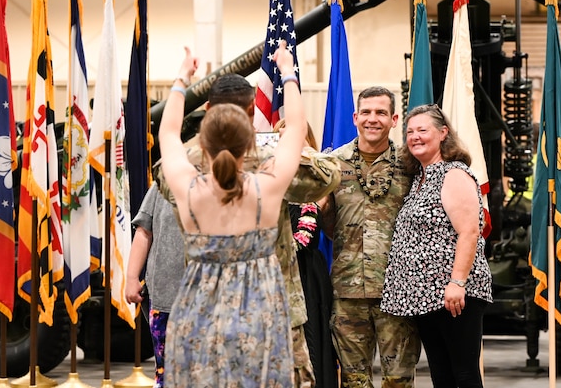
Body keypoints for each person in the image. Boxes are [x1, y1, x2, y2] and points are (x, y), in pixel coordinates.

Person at [155, 69, 341, 388]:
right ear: (251, 133)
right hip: (262, 313)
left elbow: (168, 135)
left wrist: (180, 82)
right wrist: (289, 76)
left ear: (203, 141)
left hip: (199, 315)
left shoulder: (189, 189)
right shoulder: (265, 187)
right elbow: (297, 129)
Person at [380, 104, 493, 388]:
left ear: (443, 133)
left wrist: (457, 282)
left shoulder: (453, 174)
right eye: (409, 132)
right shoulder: (420, 177)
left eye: (422, 130)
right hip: (425, 297)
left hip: (453, 295)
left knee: (464, 374)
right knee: (442, 376)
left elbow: (469, 232)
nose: (415, 137)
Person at [323, 86, 421, 388]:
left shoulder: (411, 165)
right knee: (354, 382)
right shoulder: (333, 164)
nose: (372, 119)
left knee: (399, 381)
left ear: (393, 119)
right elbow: (327, 221)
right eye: (366, 112)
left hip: (397, 292)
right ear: (355, 117)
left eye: (380, 112)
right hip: (348, 292)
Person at [275, 118, 339, 388]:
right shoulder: (268, 180)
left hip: (306, 272)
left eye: (293, 138)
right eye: (281, 138)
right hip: (275, 273)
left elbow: (322, 232)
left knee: (312, 344)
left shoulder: (317, 183)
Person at [125, 182, 184, 388]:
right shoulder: (163, 183)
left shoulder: (224, 180)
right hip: (163, 296)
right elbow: (144, 232)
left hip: (206, 300)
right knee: (165, 373)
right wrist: (132, 277)